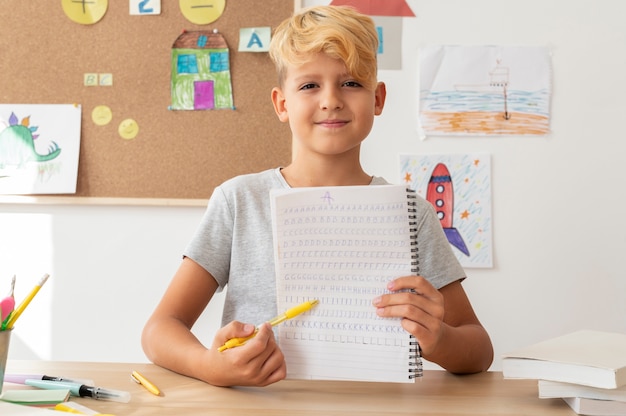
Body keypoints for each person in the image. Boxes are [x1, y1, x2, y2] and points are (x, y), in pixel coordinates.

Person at [141, 5, 493, 387]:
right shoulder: (239, 201)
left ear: (378, 99)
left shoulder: (411, 214)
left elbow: (479, 349)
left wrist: (437, 337)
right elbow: (160, 330)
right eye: (310, 85)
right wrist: (209, 366)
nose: (331, 100)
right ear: (281, 103)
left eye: (351, 83)